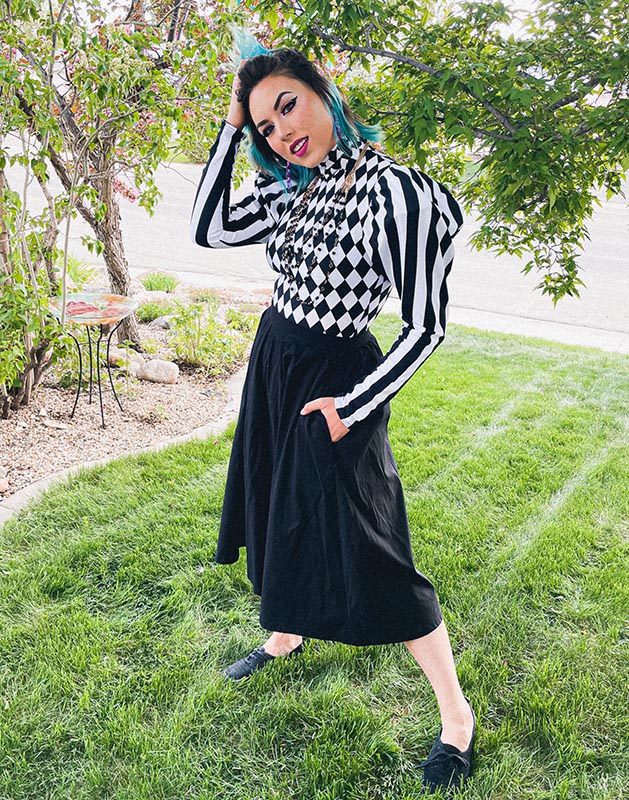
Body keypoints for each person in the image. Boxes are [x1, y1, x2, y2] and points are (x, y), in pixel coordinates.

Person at [190, 46, 475, 793]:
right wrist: (229, 129)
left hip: (338, 382)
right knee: (275, 506)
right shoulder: (294, 186)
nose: (281, 130)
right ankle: (286, 634)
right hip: (278, 361)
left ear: (323, 91)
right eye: (263, 123)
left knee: (372, 546)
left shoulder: (395, 191)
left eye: (288, 104)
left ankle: (455, 717)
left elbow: (425, 326)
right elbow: (208, 231)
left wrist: (352, 408)